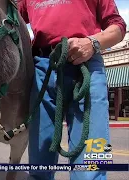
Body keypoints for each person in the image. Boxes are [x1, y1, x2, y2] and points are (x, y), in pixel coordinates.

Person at [17, 0, 127, 180]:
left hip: (87, 66)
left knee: (92, 166)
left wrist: (92, 43)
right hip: (42, 68)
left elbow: (118, 26)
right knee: (38, 166)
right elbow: (9, 18)